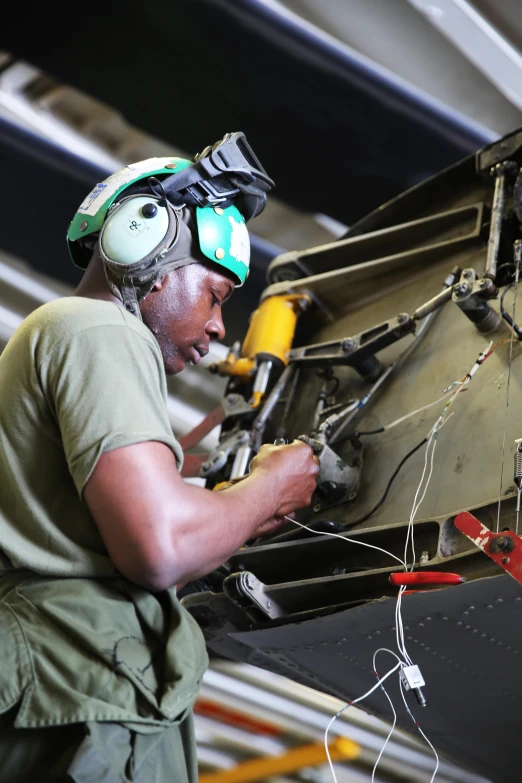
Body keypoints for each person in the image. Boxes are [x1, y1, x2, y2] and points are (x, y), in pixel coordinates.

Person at [0, 132, 318, 782]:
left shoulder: (56, 336)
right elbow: (161, 547)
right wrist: (268, 488)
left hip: (67, 683)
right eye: (215, 295)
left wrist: (214, 498)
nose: (218, 328)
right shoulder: (97, 328)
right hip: (78, 681)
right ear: (146, 252)